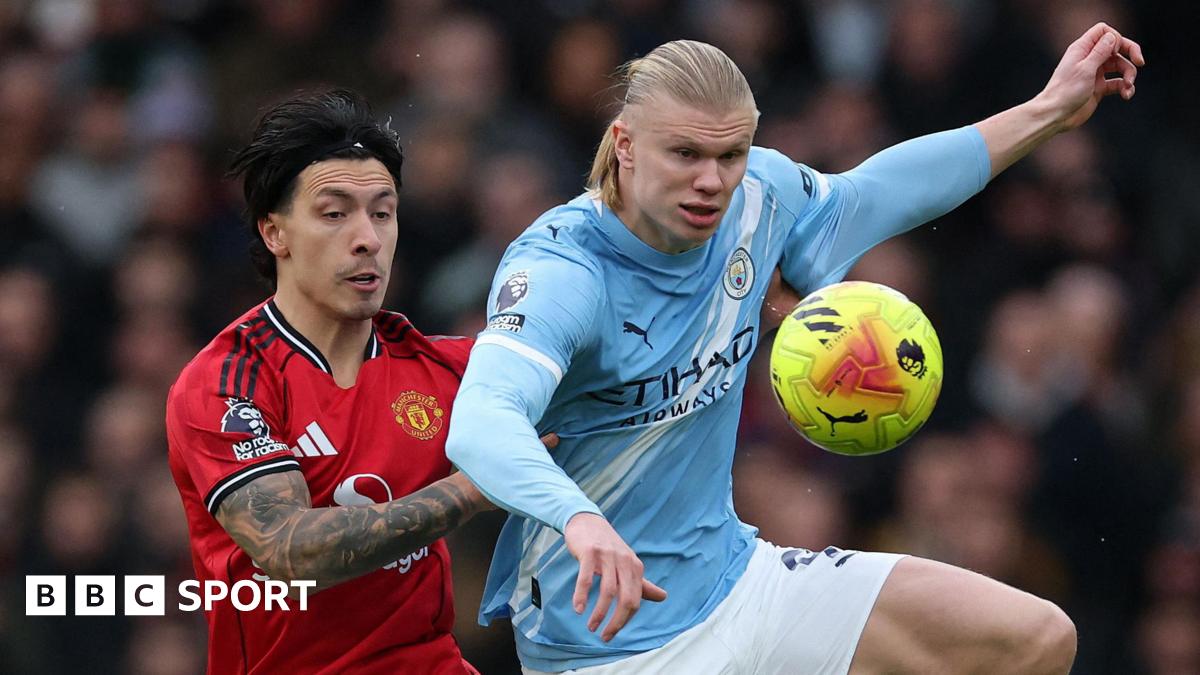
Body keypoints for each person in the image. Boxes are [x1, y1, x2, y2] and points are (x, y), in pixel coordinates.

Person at [445, 22, 1143, 674]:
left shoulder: (757, 198)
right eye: (685, 154)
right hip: (604, 641)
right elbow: (480, 422)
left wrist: (1048, 109)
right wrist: (579, 518)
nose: (712, 181)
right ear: (624, 144)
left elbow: (879, 193)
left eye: (730, 154)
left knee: (1035, 637)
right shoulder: (564, 271)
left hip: (739, 583)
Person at [166, 89, 525, 674]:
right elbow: (289, 548)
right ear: (274, 233)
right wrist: (469, 491)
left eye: (382, 213)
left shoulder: (447, 368)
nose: (368, 239)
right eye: (335, 214)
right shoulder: (227, 383)